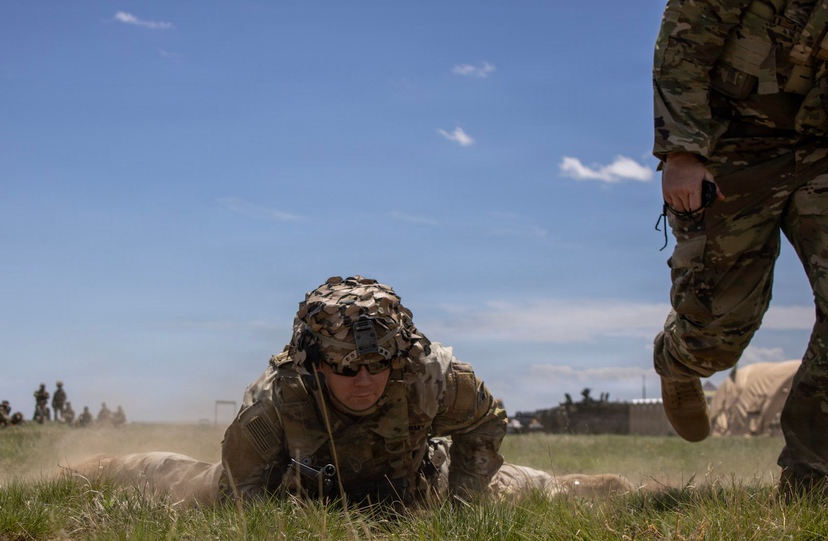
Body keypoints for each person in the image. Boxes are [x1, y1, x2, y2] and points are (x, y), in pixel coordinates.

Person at [66, 276, 633, 506]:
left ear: (400, 357)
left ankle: (592, 486)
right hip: (295, 486)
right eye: (345, 370)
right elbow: (242, 495)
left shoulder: (431, 379)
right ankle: (105, 464)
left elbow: (485, 422)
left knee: (530, 489)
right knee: (187, 486)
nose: (363, 380)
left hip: (415, 482)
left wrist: (462, 503)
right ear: (315, 367)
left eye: (377, 365)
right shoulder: (275, 403)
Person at [652, 1, 828, 495]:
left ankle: (813, 480)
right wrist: (683, 151)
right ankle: (681, 358)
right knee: (718, 330)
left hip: (822, 149)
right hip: (733, 140)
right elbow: (687, 39)